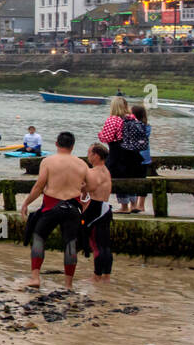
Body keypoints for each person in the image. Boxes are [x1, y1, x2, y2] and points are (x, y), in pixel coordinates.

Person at [20, 131, 89, 290]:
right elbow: (90, 187)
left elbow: (38, 187)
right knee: (70, 244)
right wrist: (83, 192)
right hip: (72, 207)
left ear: (57, 144)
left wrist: (26, 203)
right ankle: (68, 284)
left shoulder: (48, 161)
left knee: (38, 238)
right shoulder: (81, 164)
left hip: (52, 206)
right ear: (72, 146)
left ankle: (35, 277)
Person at [80, 143, 114, 283]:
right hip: (105, 207)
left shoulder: (94, 172)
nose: (88, 156)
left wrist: (82, 188)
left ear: (96, 155)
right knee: (105, 245)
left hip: (97, 208)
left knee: (96, 244)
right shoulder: (105, 170)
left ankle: (96, 276)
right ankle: (106, 275)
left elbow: (88, 189)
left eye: (89, 153)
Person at [98, 96, 134, 213]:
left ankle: (123, 206)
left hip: (116, 152)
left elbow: (106, 138)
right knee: (128, 176)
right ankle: (133, 204)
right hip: (131, 154)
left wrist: (100, 134)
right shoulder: (132, 118)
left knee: (107, 175)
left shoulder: (113, 120)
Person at [121, 104, 151, 214]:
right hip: (145, 157)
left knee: (133, 179)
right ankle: (140, 204)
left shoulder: (132, 125)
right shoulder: (146, 126)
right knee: (142, 180)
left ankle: (133, 204)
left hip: (136, 157)